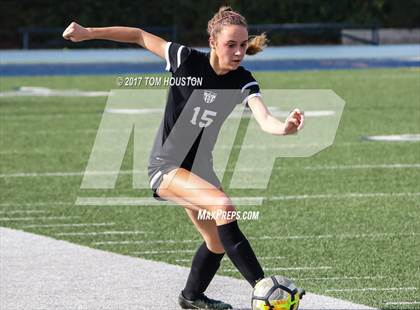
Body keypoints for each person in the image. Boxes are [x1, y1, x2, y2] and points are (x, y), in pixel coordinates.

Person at [63, 6, 304, 309]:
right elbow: (139, 35)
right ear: (213, 42)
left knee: (216, 241)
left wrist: (285, 128)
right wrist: (87, 33)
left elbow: (264, 118)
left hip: (199, 169)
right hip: (166, 167)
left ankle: (191, 297)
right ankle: (264, 287)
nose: (239, 51)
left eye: (243, 45)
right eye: (231, 44)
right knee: (223, 206)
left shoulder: (243, 79)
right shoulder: (185, 59)